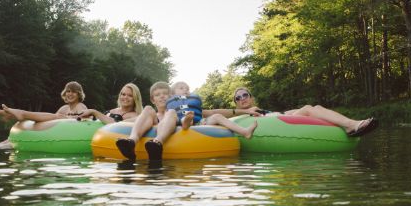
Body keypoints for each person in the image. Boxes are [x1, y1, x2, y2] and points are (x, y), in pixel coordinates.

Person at [115, 81, 258, 162]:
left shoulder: (185, 110)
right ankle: (131, 142)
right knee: (147, 109)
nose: (162, 97)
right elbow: (124, 121)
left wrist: (245, 111)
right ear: (153, 99)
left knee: (171, 112)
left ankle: (157, 143)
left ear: (172, 96)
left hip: (177, 153)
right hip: (151, 151)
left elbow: (216, 112)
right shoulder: (150, 114)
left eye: (165, 94)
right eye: (158, 95)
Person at [226, 87, 378, 137]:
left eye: (245, 95)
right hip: (276, 122)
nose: (242, 98)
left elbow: (276, 113)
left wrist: (288, 112)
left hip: (279, 115)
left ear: (251, 97)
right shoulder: (240, 115)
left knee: (315, 107)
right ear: (236, 103)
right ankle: (351, 124)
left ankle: (350, 124)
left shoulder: (259, 108)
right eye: (238, 98)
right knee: (306, 108)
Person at [0, 81, 88, 149]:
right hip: (60, 126)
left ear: (79, 94)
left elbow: (84, 120)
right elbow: (52, 123)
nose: (70, 94)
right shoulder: (64, 108)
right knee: (32, 121)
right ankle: (4, 142)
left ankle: (18, 114)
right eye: (68, 91)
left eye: (74, 92)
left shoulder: (80, 106)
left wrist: (66, 117)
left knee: (57, 116)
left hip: (71, 132)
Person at [78, 83, 143, 123]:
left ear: (135, 99)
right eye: (123, 94)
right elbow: (100, 121)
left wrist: (94, 112)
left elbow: (116, 125)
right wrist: (89, 117)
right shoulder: (112, 110)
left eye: (130, 95)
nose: (125, 97)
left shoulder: (135, 116)